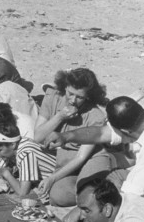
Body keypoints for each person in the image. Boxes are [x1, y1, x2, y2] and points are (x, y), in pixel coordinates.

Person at [35, 68, 116, 207]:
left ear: (88, 96)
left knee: (58, 195)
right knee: (23, 146)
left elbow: (81, 157)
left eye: (80, 97)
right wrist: (59, 116)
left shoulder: (95, 116)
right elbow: (37, 136)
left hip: (72, 163)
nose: (73, 100)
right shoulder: (52, 96)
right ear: (65, 87)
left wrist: (53, 179)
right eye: (70, 94)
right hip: (52, 155)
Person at [0, 121, 57, 199]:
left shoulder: (25, 153)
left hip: (57, 181)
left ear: (12, 145)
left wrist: (7, 174)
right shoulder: (17, 144)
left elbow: (23, 192)